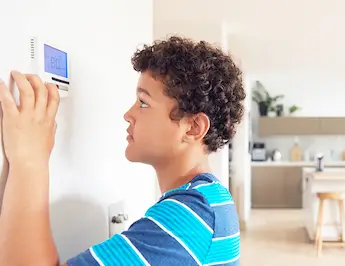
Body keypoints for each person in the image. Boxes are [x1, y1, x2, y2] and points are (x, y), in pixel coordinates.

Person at [0, 36, 246, 266]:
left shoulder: (192, 215)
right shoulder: (210, 202)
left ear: (193, 127)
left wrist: (30, 161)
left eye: (143, 103)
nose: (128, 114)